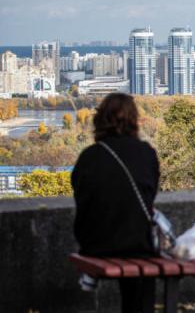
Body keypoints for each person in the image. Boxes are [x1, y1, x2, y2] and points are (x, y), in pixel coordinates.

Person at [72, 93, 161, 313]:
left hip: (95, 243)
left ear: (100, 120)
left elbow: (82, 199)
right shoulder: (146, 153)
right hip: (139, 244)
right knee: (137, 270)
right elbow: (149, 196)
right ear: (134, 119)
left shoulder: (89, 157)